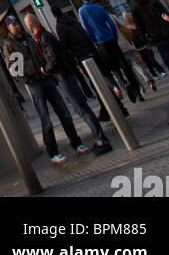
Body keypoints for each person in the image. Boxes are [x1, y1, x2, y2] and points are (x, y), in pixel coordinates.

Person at [3, 14, 90, 164]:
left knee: (64, 113)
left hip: (47, 79)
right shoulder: (10, 45)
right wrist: (27, 79)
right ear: (9, 28)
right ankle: (53, 152)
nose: (16, 26)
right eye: (13, 24)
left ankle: (76, 142)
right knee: (46, 119)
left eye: (17, 23)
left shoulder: (30, 39)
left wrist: (46, 71)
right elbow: (14, 69)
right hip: (35, 84)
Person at [23, 13, 111, 156]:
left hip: (62, 76)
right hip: (56, 77)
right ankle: (97, 138)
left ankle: (100, 138)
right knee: (77, 108)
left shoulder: (43, 37)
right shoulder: (40, 37)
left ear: (30, 24)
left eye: (26, 23)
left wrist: (45, 69)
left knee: (80, 108)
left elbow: (54, 57)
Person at [78, 0, 143, 104]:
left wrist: (94, 42)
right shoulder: (99, 8)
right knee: (124, 65)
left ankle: (124, 84)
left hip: (100, 43)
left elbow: (86, 28)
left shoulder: (82, 11)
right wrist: (114, 35)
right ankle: (136, 88)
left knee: (114, 68)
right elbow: (111, 24)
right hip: (111, 39)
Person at [54, 7, 113, 120]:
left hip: (82, 56)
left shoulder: (61, 26)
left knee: (96, 83)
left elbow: (65, 45)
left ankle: (110, 108)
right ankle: (112, 105)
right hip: (91, 52)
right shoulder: (73, 20)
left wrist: (69, 60)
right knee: (99, 80)